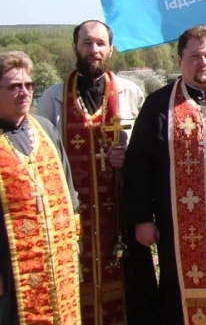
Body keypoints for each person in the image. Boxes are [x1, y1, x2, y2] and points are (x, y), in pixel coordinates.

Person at [123, 26, 206, 324]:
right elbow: (138, 166)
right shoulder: (159, 105)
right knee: (178, 293)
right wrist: (143, 218)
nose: (203, 62)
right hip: (178, 225)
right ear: (179, 60)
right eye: (194, 56)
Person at [35, 19, 156, 324]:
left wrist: (126, 159)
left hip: (120, 213)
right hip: (74, 218)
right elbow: (42, 155)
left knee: (131, 289)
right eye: (87, 43)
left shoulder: (130, 93)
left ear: (111, 49)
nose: (94, 50)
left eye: (100, 43)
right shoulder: (53, 97)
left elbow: (145, 154)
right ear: (75, 47)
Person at [0, 51, 82, 324]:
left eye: (28, 85)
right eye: (14, 86)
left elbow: (69, 191)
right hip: (10, 263)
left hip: (59, 261)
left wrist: (75, 242)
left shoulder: (45, 129)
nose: (24, 92)